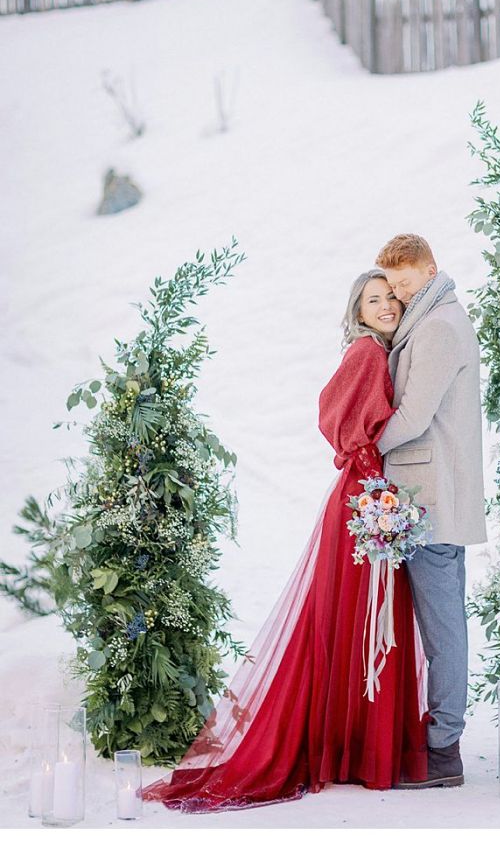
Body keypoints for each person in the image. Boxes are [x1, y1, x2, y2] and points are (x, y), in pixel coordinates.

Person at [141, 269, 429, 812]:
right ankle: (359, 751)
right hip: (367, 502)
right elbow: (334, 414)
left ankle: (352, 748)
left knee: (357, 619)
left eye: (391, 296)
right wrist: (369, 474)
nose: (387, 305)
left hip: (368, 495)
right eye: (374, 299)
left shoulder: (378, 352)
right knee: (364, 617)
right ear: (358, 311)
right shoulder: (368, 353)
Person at [373, 234, 487, 790]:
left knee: (443, 631)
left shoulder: (440, 327)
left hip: (430, 499)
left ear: (430, 270)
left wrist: (369, 450)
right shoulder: (435, 318)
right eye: (391, 286)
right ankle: (441, 743)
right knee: (444, 626)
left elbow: (415, 415)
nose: (396, 296)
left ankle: (444, 750)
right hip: (431, 495)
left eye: (405, 283)